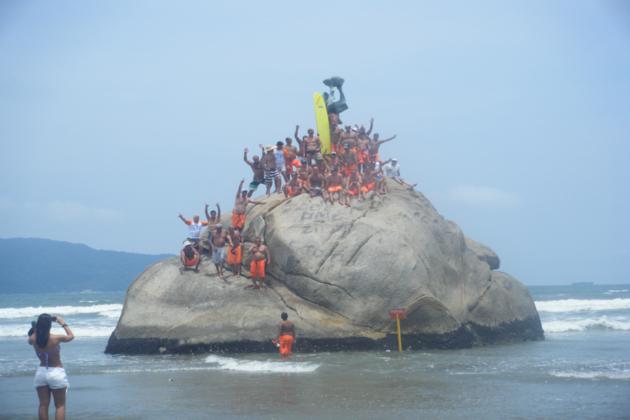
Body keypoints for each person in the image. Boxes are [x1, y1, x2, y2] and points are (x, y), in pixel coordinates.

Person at [28, 313, 74, 420]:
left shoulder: (32, 339)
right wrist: (62, 323)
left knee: (43, 405)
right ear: (49, 325)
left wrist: (35, 329)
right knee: (60, 406)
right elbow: (71, 336)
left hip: (41, 373)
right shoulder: (56, 338)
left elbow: (33, 337)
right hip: (56, 372)